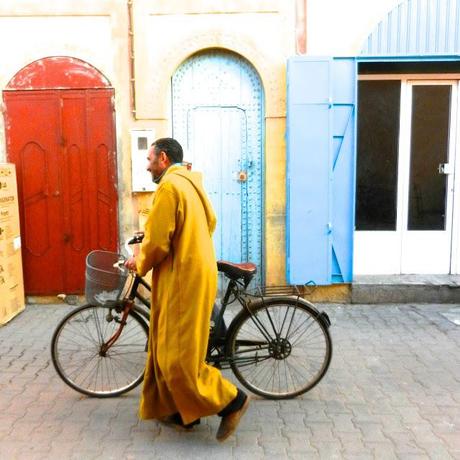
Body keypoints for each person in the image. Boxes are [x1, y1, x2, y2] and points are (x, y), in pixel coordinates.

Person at [124, 137, 250, 442]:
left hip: (184, 278)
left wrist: (139, 260)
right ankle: (181, 413)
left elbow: (159, 242)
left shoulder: (169, 186)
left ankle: (232, 401)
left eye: (150, 159)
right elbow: (207, 222)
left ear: (163, 159)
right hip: (195, 271)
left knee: (177, 357)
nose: (147, 165)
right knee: (168, 346)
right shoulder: (191, 182)